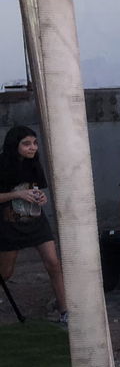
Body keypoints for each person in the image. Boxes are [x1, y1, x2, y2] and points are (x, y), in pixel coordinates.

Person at [0, 126, 67, 323]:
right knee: (5, 272)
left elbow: (35, 189)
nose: (33, 148)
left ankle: (65, 311)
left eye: (35, 143)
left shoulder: (34, 164)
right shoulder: (2, 163)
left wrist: (39, 197)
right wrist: (17, 194)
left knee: (54, 263)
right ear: (15, 145)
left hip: (36, 221)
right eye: (27, 144)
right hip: (9, 224)